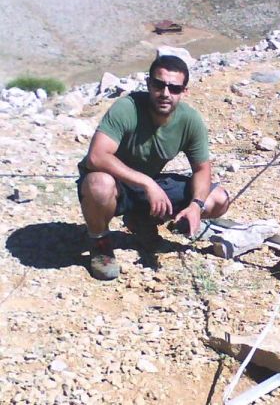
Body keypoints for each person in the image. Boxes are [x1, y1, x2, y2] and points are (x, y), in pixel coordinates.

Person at [77, 54, 230, 280]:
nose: (165, 93)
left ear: (184, 91)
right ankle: (100, 243)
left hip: (149, 184)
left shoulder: (190, 120)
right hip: (117, 183)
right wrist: (147, 183)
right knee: (100, 184)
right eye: (159, 85)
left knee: (217, 199)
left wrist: (196, 205)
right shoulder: (127, 108)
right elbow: (96, 157)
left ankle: (143, 220)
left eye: (174, 88)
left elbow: (202, 169)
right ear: (149, 84)